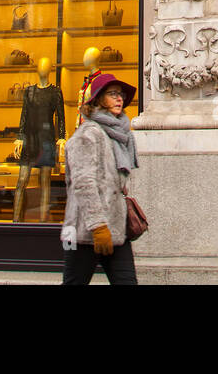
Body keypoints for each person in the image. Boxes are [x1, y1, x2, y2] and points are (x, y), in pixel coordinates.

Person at [60, 73, 139, 285]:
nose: (119, 98)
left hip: (115, 229)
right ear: (98, 99)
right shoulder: (88, 135)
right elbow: (83, 183)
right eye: (113, 94)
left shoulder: (119, 137)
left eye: (121, 94)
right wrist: (98, 226)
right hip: (84, 232)